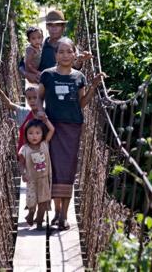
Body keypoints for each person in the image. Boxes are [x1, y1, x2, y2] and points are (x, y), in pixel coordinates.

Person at [37, 37, 105, 230]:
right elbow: (39, 98)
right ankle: (57, 212)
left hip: (72, 128)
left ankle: (64, 216)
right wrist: (40, 111)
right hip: (51, 128)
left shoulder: (79, 77)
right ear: (55, 55)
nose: (65, 55)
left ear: (75, 55)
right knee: (54, 169)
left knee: (68, 170)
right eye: (61, 52)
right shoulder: (47, 75)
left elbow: (81, 104)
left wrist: (93, 87)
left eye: (69, 52)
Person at [19, 9, 92, 83]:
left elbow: (76, 66)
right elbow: (22, 65)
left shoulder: (69, 46)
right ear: (47, 27)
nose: (54, 28)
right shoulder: (38, 47)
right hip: (44, 86)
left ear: (63, 27)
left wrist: (80, 60)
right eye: (51, 25)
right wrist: (27, 74)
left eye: (58, 25)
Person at [18, 118, 55, 230]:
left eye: (38, 133)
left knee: (43, 202)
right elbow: (21, 164)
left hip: (44, 179)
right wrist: (23, 174)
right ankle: (30, 214)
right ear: (26, 134)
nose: (34, 136)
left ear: (42, 134)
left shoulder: (45, 144)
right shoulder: (24, 149)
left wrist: (46, 120)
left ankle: (39, 223)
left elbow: (52, 129)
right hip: (31, 180)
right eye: (30, 133)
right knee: (32, 202)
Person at [0, 84, 38, 153]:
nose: (32, 100)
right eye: (29, 98)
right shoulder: (23, 112)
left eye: (35, 97)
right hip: (24, 151)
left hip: (40, 152)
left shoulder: (46, 115)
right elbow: (9, 104)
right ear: (26, 100)